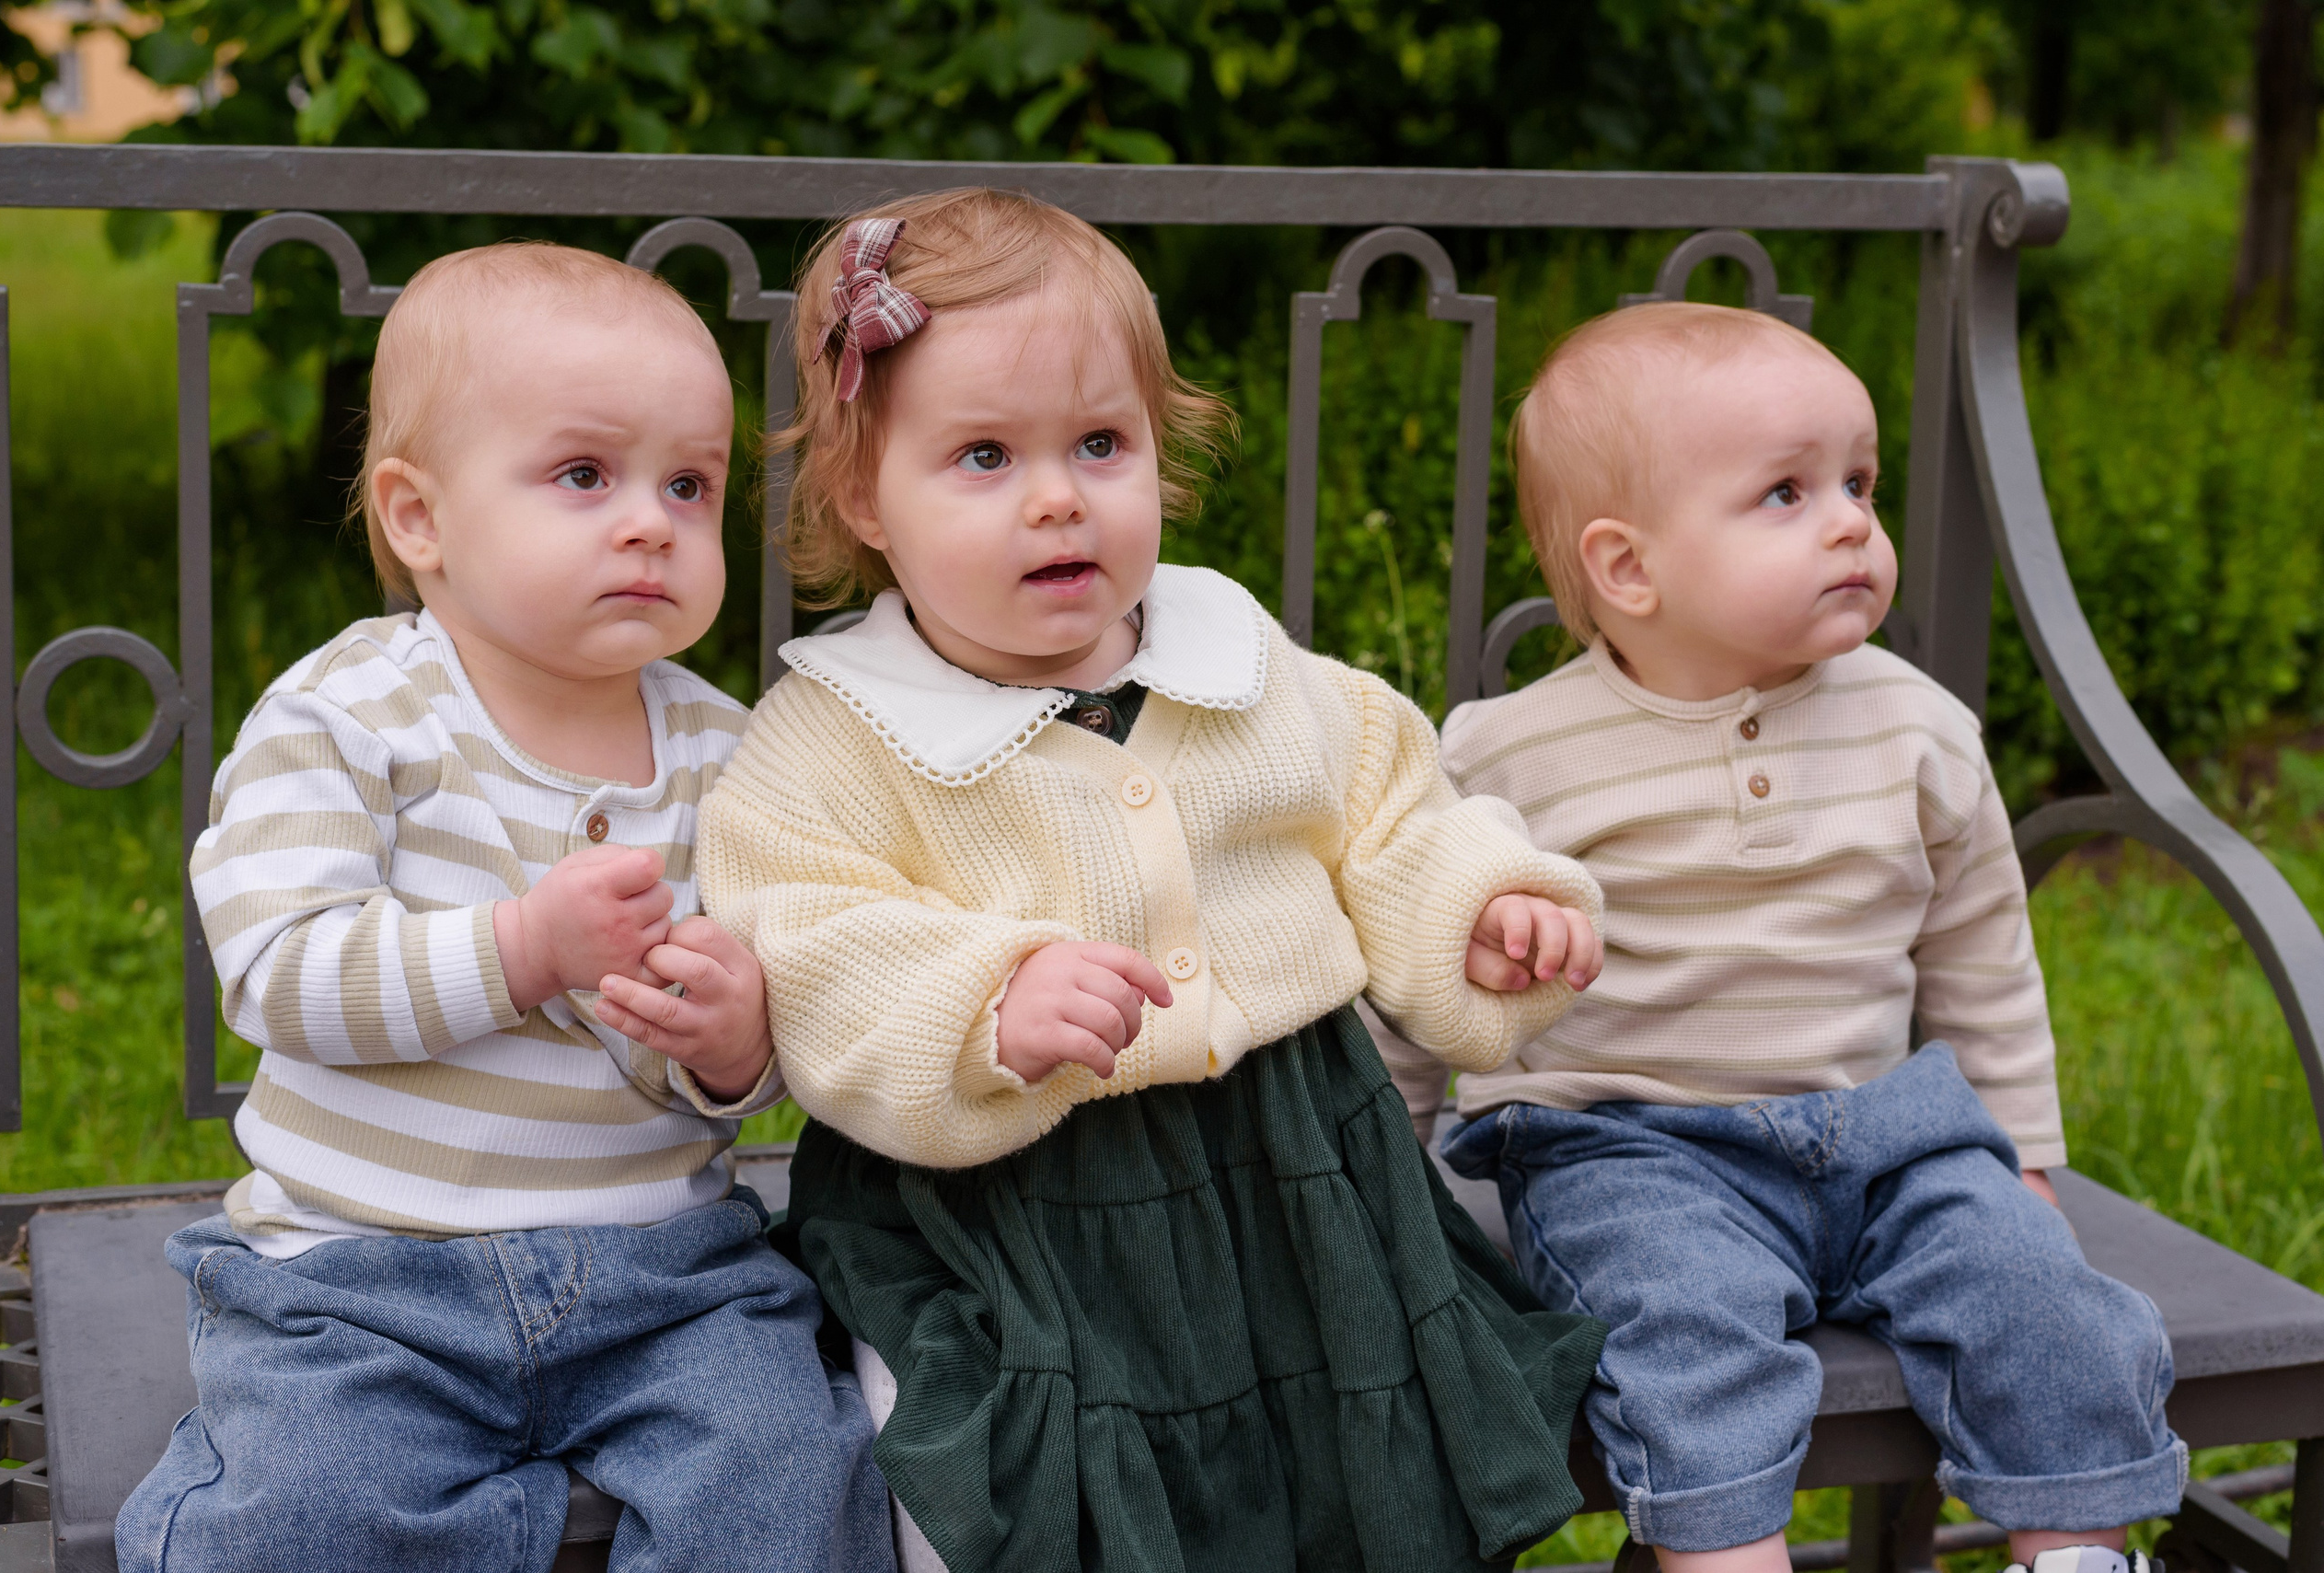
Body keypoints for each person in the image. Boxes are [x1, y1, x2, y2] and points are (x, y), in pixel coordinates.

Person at [694, 189, 1612, 1573]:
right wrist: (984, 1001)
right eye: (986, 455)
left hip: (1294, 1173)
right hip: (1004, 1214)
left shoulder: (1241, 666)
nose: (1059, 495)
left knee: (1342, 1483)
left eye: (1101, 444)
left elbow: (1387, 809)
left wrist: (1477, 910)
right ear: (859, 500)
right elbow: (810, 934)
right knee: (1001, 1486)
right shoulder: (832, 738)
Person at [116, 242, 894, 1573]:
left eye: (689, 484)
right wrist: (520, 948)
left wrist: (731, 1036)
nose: (649, 519)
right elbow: (281, 972)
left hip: (666, 1280)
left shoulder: (730, 749)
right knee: (300, 1513)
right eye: (584, 475)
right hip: (362, 1285)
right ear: (419, 516)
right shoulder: (350, 715)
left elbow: (745, 1052)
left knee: (786, 1480)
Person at [1392, 300, 2184, 1573]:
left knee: (2045, 1303)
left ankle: (2080, 1550)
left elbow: (1982, 948)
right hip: (1627, 1146)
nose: (1852, 522)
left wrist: (2024, 1150)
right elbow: (1422, 960)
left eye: (1859, 483)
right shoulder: (1505, 752)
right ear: (1629, 568)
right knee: (1679, 1335)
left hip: (1890, 1135)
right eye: (1786, 493)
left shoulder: (1916, 727)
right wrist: (1393, 1173)